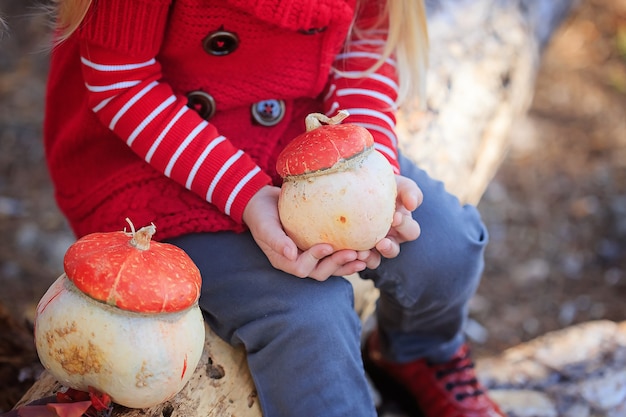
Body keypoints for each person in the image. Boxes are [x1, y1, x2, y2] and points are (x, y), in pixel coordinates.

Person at [44, 0, 505, 416]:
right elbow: (122, 82)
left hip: (304, 131)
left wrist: (368, 172)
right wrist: (245, 195)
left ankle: (417, 354)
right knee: (306, 316)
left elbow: (364, 46)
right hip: (160, 160)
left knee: (445, 249)